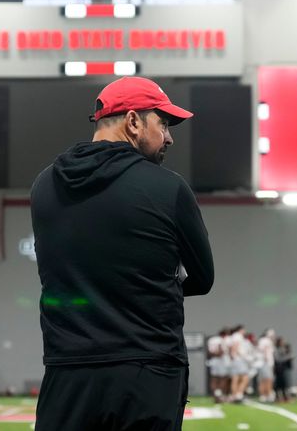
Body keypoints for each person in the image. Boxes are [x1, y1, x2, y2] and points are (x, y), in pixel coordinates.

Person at [30, 76, 215, 431]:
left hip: (67, 372)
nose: (169, 137)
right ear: (133, 121)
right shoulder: (168, 187)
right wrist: (148, 287)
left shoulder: (43, 185)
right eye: (163, 123)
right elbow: (203, 279)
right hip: (147, 371)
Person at [206, 328, 231, 402]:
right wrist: (220, 353)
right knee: (222, 378)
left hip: (213, 361)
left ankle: (215, 395)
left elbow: (209, 352)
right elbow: (220, 351)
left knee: (214, 379)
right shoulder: (221, 340)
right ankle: (219, 395)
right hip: (221, 361)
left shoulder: (211, 340)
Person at [257, 329, 276, 402]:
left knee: (263, 380)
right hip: (265, 363)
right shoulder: (266, 341)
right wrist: (267, 360)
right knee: (268, 379)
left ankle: (263, 395)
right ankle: (268, 395)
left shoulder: (262, 340)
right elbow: (265, 350)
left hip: (263, 363)